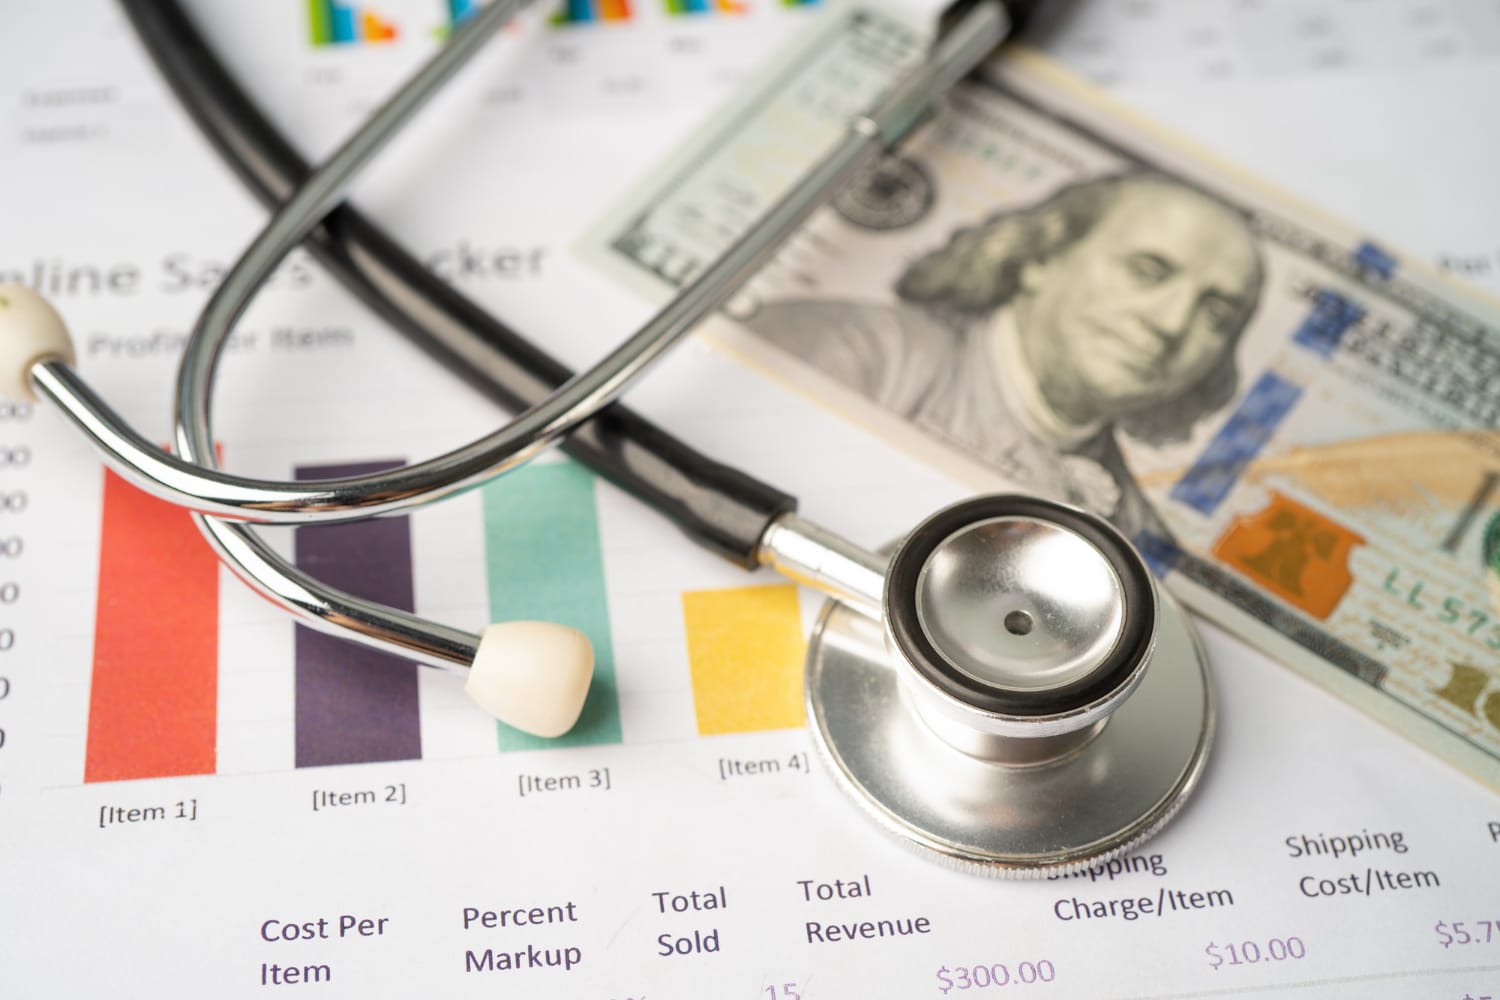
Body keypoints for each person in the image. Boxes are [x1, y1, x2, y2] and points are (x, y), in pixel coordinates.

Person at [746, 171, 1264, 549]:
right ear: (1042, 257)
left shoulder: (1139, 535)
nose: (1172, 323)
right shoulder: (844, 349)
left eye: (1216, 316)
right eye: (1148, 271)